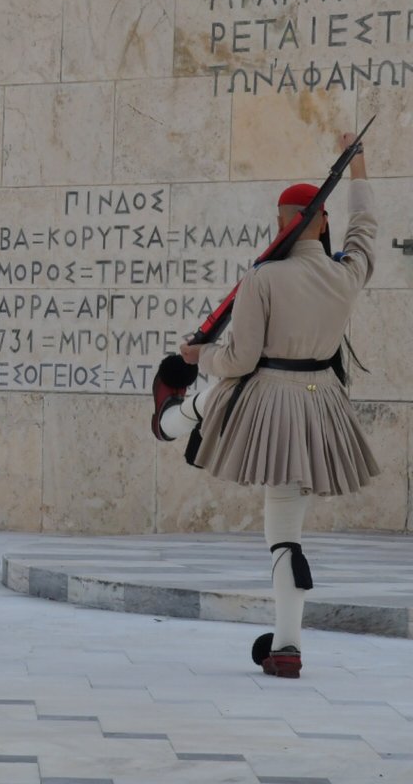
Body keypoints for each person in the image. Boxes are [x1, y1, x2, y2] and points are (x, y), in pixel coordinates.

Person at [153, 132, 378, 679]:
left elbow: (240, 359)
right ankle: (287, 645)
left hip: (272, 400)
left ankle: (170, 420)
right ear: (321, 224)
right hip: (322, 402)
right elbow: (366, 228)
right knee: (287, 531)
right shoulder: (347, 274)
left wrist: (199, 354)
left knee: (221, 392)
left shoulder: (263, 278)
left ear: (281, 225)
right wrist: (360, 168)